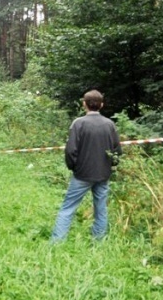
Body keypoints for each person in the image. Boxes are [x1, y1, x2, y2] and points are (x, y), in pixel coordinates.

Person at [51, 89, 122, 242]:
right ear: (101, 105)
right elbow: (117, 150)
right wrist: (112, 167)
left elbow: (70, 150)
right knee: (101, 209)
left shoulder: (78, 123)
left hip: (82, 174)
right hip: (103, 174)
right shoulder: (110, 124)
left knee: (68, 208)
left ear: (84, 104)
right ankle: (99, 241)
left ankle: (56, 243)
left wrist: (73, 167)